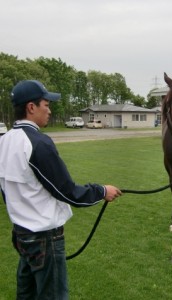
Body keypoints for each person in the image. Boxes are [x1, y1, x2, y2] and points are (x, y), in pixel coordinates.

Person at [0, 80, 122, 300]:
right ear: (31, 107)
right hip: (44, 240)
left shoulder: (4, 141)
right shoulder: (39, 143)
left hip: (22, 236)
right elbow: (67, 191)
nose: (50, 110)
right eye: (46, 104)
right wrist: (102, 191)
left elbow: (6, 192)